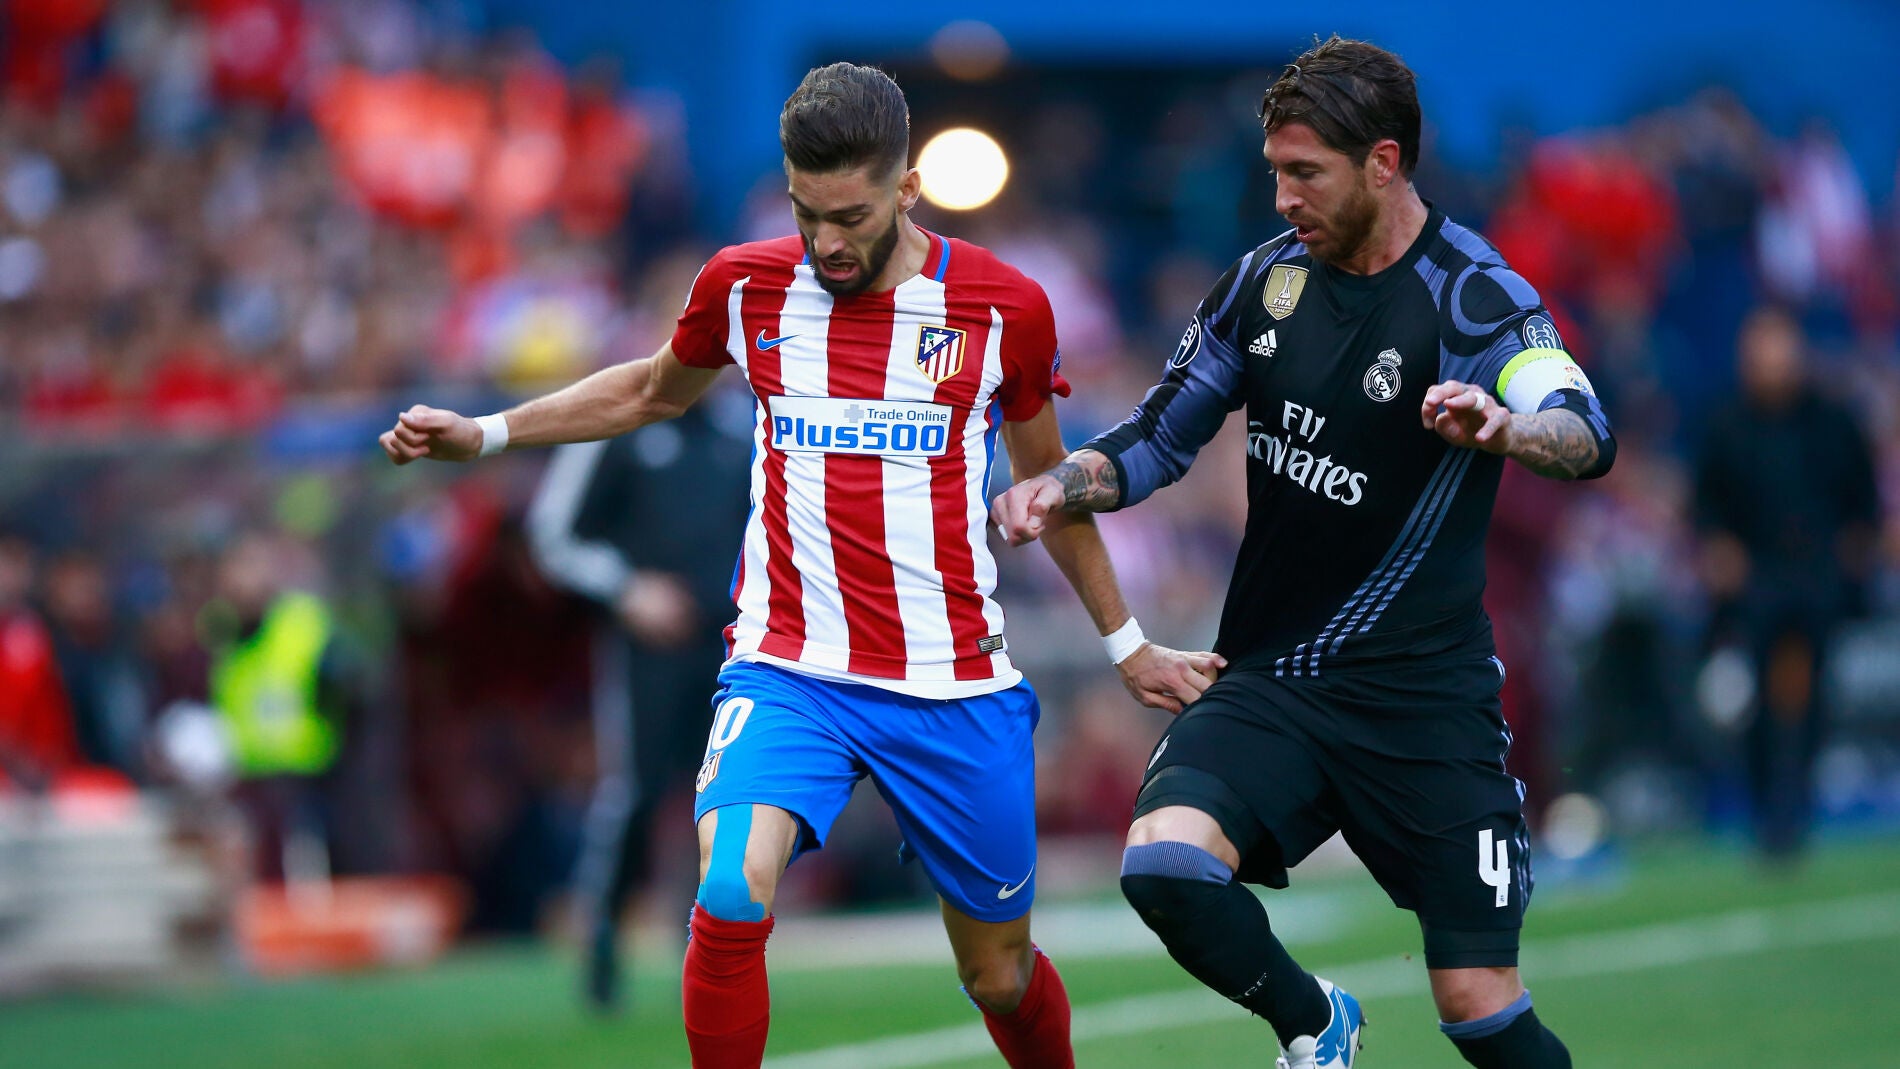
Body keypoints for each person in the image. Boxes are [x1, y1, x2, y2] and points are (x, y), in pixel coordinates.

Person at [381, 62, 1218, 1069]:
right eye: (805, 211)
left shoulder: (1002, 309)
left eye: (850, 216)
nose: (825, 241)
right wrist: (485, 431)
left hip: (950, 684)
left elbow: (1057, 489)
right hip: (790, 669)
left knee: (996, 974)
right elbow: (651, 389)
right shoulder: (744, 283)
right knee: (729, 890)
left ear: (906, 189)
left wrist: (1126, 645)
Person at [993, 36, 1615, 1069]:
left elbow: (1582, 426)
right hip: (1273, 677)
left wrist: (1507, 429)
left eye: (1304, 173)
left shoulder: (1474, 298)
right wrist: (1063, 482)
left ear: (1382, 162)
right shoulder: (1264, 284)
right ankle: (1315, 1022)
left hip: (1423, 701)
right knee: (1163, 865)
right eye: (1274, 171)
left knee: (1478, 1007)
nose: (1281, 197)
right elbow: (1157, 437)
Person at [524, 386, 754, 1012]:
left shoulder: (747, 427)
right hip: (649, 648)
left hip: (738, 643)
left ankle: (727, 950)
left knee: (737, 794)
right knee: (636, 791)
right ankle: (603, 938)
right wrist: (629, 590)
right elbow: (553, 533)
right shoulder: (622, 421)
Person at [1694, 306, 1879, 860]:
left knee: (1811, 697)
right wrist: (1720, 553)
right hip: (1756, 579)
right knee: (1755, 700)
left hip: (1818, 577)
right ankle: (1763, 809)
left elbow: (1861, 502)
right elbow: (1707, 508)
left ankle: (1797, 807)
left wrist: (1855, 551)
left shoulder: (1833, 419)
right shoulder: (1726, 423)